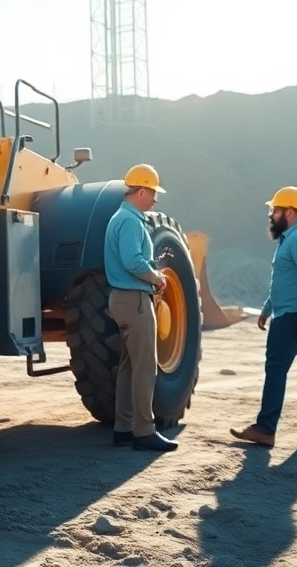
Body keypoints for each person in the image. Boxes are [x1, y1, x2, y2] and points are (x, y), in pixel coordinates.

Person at [231, 186, 297, 448]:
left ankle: (265, 429)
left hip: (296, 316)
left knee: (276, 367)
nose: (270, 215)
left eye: (274, 210)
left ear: (289, 212)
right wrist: (269, 307)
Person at [102, 163, 178, 452]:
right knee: (146, 367)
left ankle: (123, 428)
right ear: (141, 191)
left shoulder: (120, 218)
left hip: (120, 299)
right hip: (134, 301)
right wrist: (157, 277)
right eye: (154, 193)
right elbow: (133, 261)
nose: (156, 199)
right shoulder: (131, 222)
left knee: (128, 365)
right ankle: (144, 431)